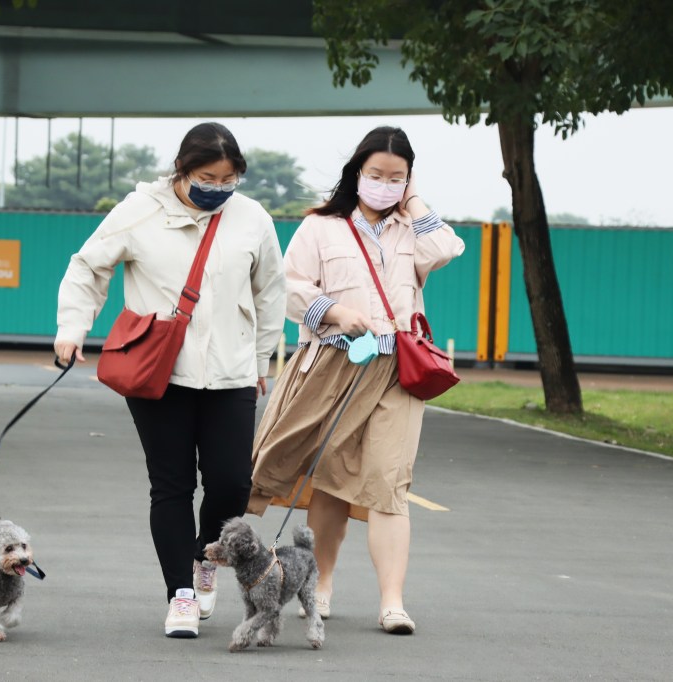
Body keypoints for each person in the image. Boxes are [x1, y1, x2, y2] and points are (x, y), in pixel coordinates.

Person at [54, 122, 286, 638]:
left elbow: (271, 290)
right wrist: (72, 327)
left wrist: (261, 358)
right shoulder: (140, 210)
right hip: (159, 372)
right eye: (208, 176)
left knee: (231, 483)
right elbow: (88, 267)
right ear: (182, 169)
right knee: (172, 485)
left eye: (229, 179)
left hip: (230, 372)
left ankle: (206, 557)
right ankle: (181, 592)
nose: (219, 188)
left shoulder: (251, 218)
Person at [246, 126, 466, 634]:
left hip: (398, 370)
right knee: (332, 481)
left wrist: (415, 201)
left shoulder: (414, 229)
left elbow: (448, 248)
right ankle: (320, 587)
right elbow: (288, 287)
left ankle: (392, 602)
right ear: (357, 173)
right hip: (336, 365)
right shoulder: (321, 227)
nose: (385, 185)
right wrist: (335, 311)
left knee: (390, 484)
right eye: (376, 175)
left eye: (397, 177)